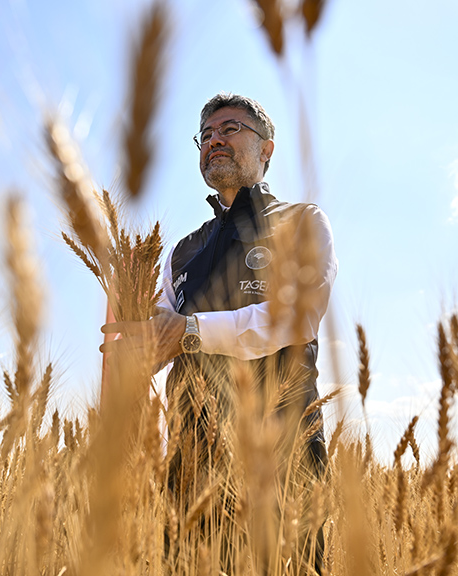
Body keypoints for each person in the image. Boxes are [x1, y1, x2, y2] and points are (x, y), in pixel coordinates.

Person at [101, 93, 337, 574]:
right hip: (193, 464)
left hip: (283, 447)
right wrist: (132, 346)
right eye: (205, 135)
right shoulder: (183, 252)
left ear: (266, 148)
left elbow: (299, 317)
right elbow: (158, 336)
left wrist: (188, 332)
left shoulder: (303, 221)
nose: (214, 141)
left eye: (229, 129)